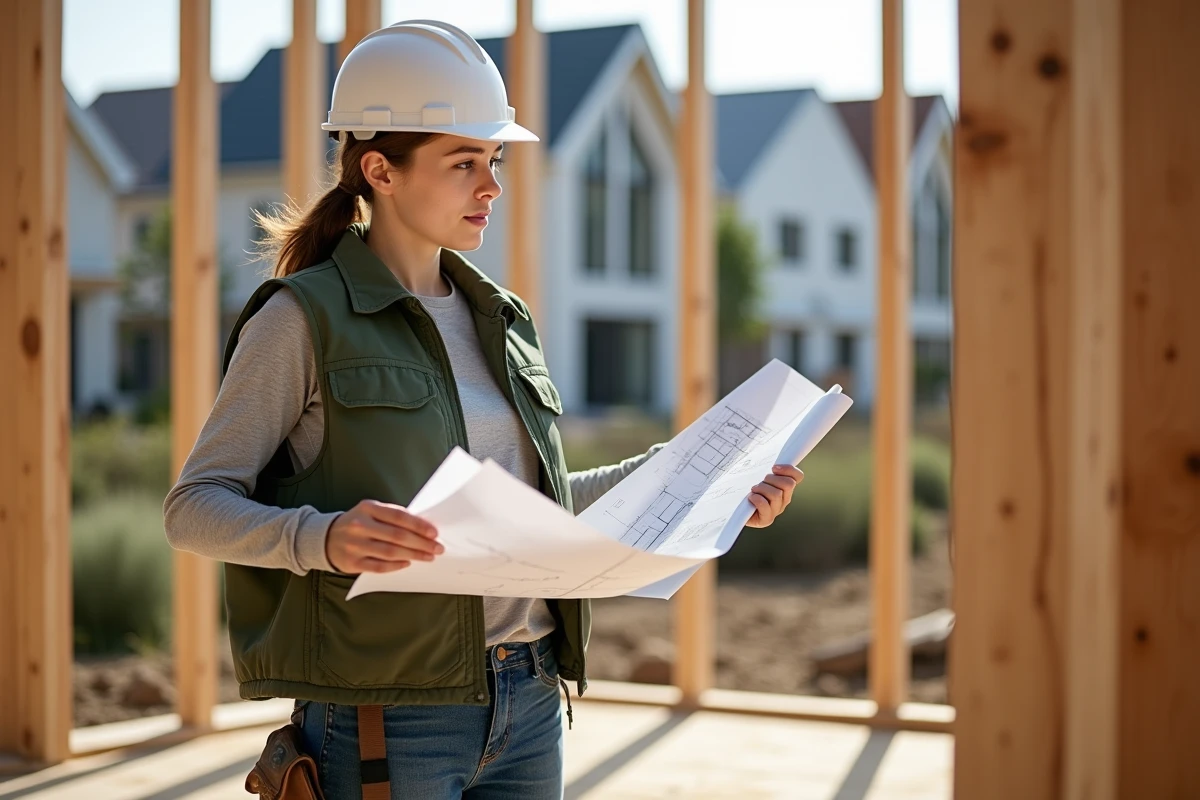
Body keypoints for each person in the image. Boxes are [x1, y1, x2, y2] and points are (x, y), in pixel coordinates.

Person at [163, 19, 803, 800]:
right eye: (464, 161)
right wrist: (323, 538)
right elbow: (193, 507)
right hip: (389, 716)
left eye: (494, 160)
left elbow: (543, 509)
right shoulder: (301, 319)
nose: (492, 185)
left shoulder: (499, 316)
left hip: (529, 698)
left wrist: (717, 480)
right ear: (381, 170)